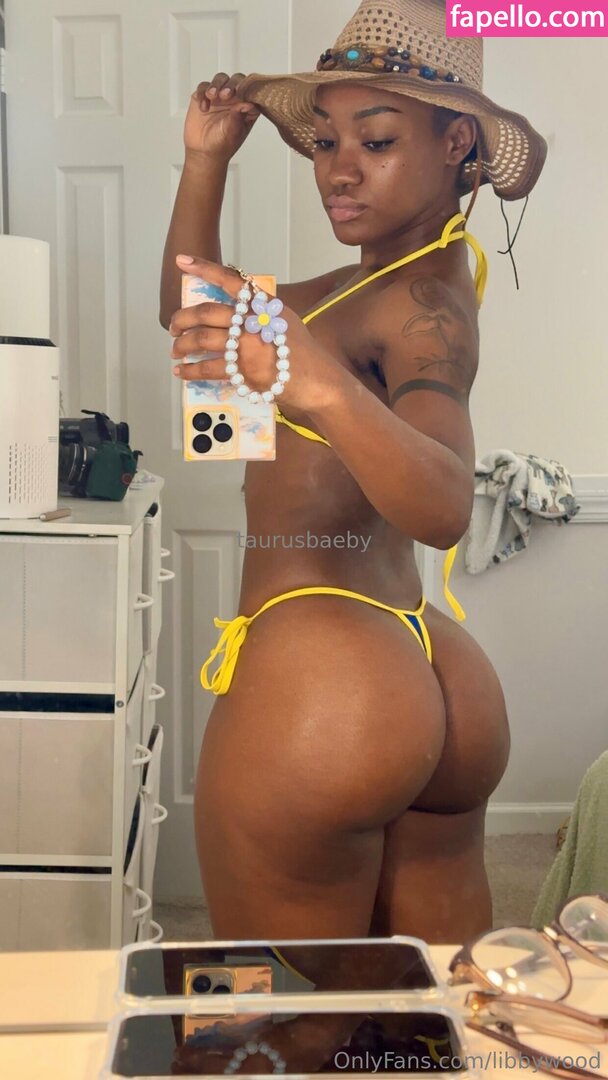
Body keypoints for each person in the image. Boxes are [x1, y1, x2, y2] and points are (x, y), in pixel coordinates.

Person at [160, 0, 546, 962]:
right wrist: (205, 165)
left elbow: (445, 504)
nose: (338, 168)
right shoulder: (357, 288)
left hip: (327, 677)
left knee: (273, 1012)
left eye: (375, 141)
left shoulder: (421, 304)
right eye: (327, 140)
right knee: (434, 1010)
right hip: (423, 663)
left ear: (457, 144)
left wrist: (315, 384)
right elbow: (196, 319)